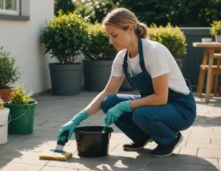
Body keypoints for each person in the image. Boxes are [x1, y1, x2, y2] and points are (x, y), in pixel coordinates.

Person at [57, 8, 196, 157]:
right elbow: (108, 92)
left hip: (180, 107)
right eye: (109, 36)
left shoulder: (154, 52)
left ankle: (170, 138)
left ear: (130, 29)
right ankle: (142, 137)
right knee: (109, 102)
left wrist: (125, 106)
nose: (111, 41)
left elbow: (161, 97)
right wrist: (77, 119)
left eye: (114, 35)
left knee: (140, 114)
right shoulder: (122, 57)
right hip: (153, 103)